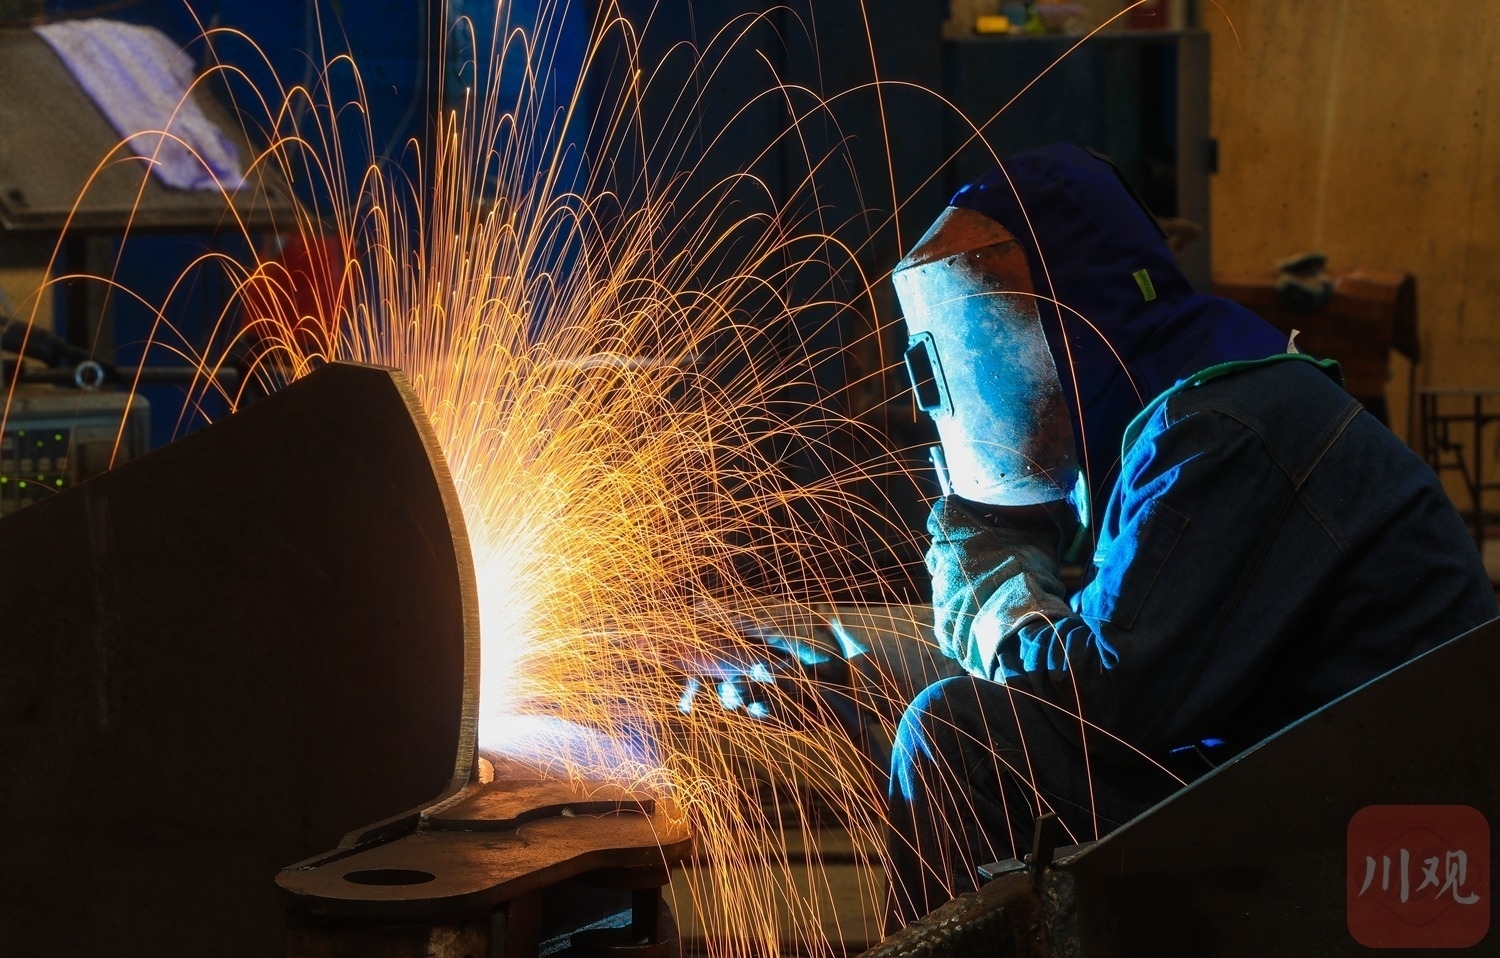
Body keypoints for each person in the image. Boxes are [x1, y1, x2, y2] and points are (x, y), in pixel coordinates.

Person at [884, 144, 1498, 925]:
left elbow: (1109, 705)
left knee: (956, 738)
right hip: (1337, 802)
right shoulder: (1193, 413)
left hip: (1388, 859)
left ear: (1064, 323)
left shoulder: (1220, 430)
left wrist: (994, 589)